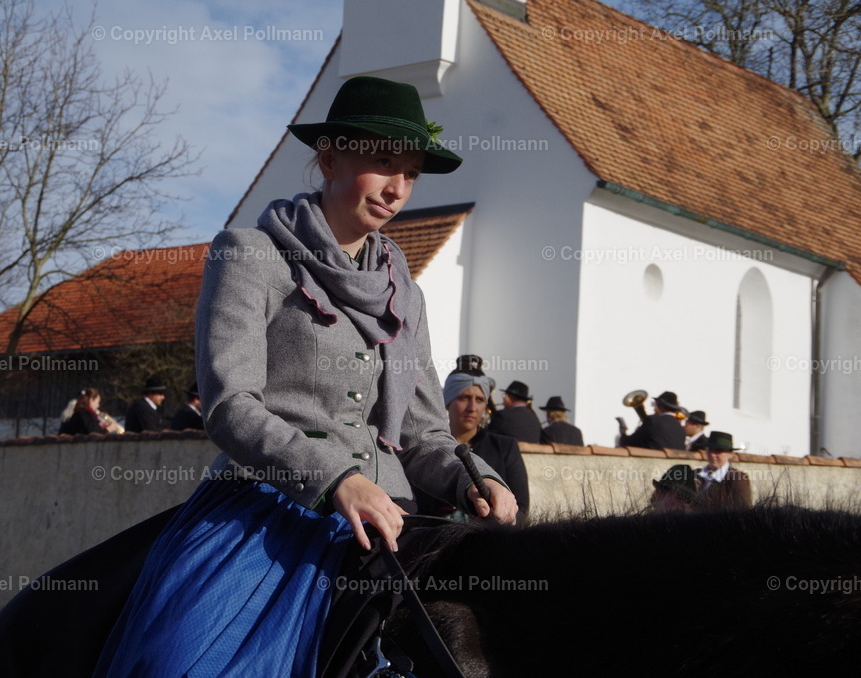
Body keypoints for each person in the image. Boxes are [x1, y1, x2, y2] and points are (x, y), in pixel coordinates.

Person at [91, 76, 517, 677]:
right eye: (381, 162)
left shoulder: (407, 293)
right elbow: (229, 405)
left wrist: (476, 480)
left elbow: (424, 434)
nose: (397, 188)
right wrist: (336, 480)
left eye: (412, 172)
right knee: (182, 665)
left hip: (390, 521)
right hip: (268, 512)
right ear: (328, 158)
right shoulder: (248, 255)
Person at [415, 372, 529, 523]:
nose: (472, 407)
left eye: (480, 400)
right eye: (463, 398)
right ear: (447, 401)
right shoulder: (424, 447)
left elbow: (520, 507)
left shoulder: (504, 447)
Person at [694, 431, 752, 510]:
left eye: (718, 451)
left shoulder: (738, 479)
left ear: (730, 454)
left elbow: (743, 511)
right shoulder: (695, 474)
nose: (712, 455)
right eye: (710, 450)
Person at [618, 390, 685, 451]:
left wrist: (623, 433)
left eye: (655, 405)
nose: (654, 408)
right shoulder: (681, 428)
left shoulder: (652, 421)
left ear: (659, 406)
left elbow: (628, 443)